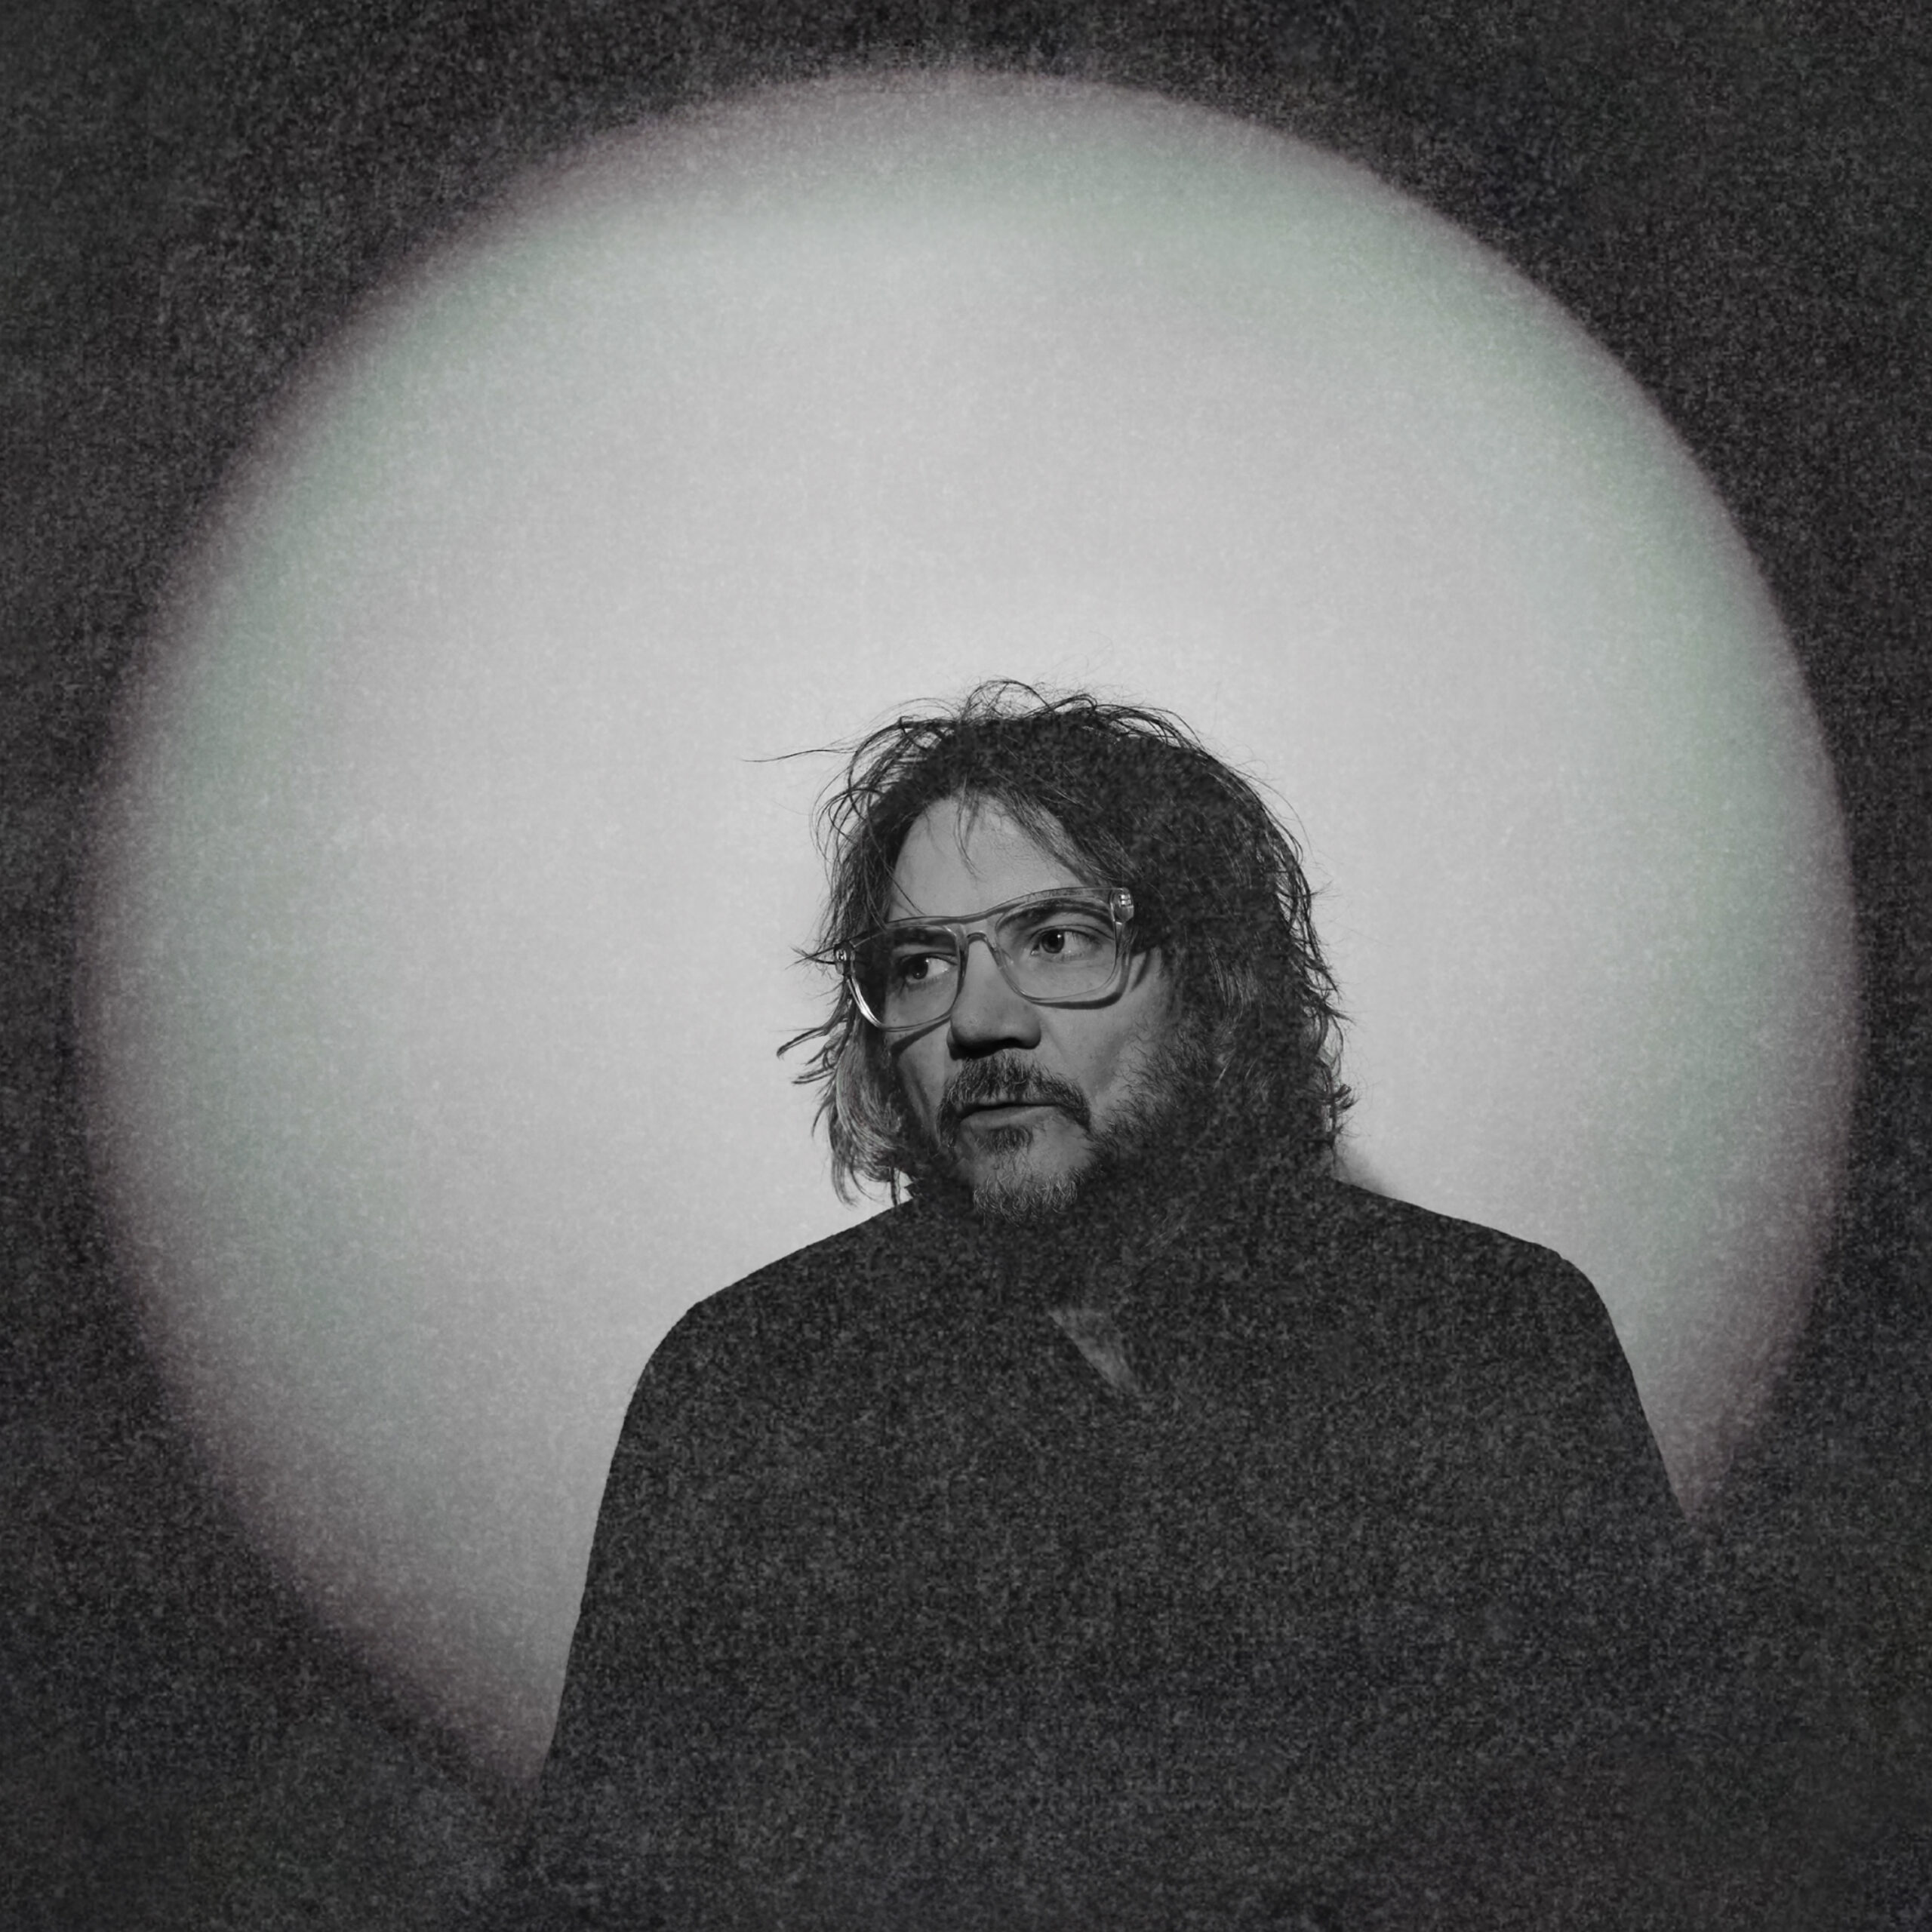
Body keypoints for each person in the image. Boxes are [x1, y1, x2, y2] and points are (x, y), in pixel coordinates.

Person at [485, 684, 1719, 1930]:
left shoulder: (1487, 1336)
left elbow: (1660, 1851)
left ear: (1215, 976)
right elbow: (601, 1894)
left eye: (1060, 940)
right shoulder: (756, 1388)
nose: (980, 1023)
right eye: (921, 965)